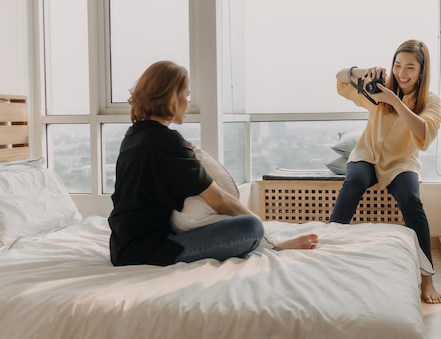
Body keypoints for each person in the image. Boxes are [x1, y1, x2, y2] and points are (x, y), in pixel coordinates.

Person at [108, 60, 318, 267]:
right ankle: (273, 246)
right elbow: (219, 200)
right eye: (186, 93)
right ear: (171, 95)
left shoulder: (135, 135)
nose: (188, 102)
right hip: (150, 249)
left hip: (124, 245)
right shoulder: (165, 140)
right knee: (251, 227)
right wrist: (272, 238)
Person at [329, 39, 441, 304]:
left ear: (422, 71)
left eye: (410, 68)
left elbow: (424, 133)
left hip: (401, 163)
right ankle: (328, 252)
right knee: (353, 183)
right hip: (366, 155)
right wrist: (362, 72)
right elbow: (340, 79)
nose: (402, 73)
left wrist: (394, 100)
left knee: (411, 201)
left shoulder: (430, 101)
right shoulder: (378, 88)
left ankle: (427, 279)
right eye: (397, 65)